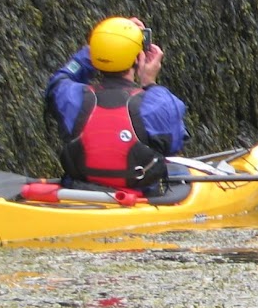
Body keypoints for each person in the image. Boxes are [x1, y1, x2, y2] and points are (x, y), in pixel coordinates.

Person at [45, 15, 188, 190]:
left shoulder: (71, 96)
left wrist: (102, 46)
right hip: (140, 197)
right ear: (138, 59)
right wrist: (149, 82)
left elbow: (60, 79)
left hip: (80, 192)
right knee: (179, 170)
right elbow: (174, 145)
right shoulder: (159, 102)